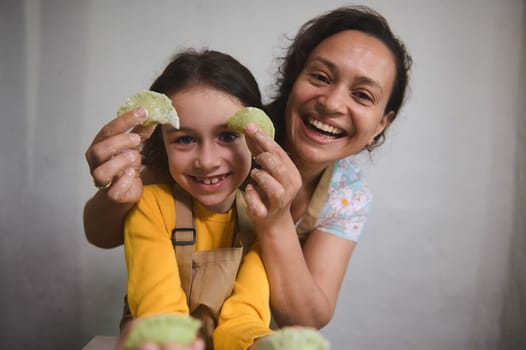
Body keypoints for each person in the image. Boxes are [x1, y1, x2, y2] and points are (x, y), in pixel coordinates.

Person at [84, 4, 412, 336]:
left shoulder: (348, 194)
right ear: (293, 80)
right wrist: (115, 193)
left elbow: (307, 318)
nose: (332, 103)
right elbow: (107, 231)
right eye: (320, 77)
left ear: (382, 122)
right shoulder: (224, 133)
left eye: (362, 94)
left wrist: (274, 219)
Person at [115, 49, 277, 350]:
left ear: (257, 139)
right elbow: (158, 309)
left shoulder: (262, 218)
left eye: (228, 136)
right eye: (185, 139)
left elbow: (244, 319)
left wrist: (264, 344)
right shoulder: (150, 206)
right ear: (162, 144)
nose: (207, 161)